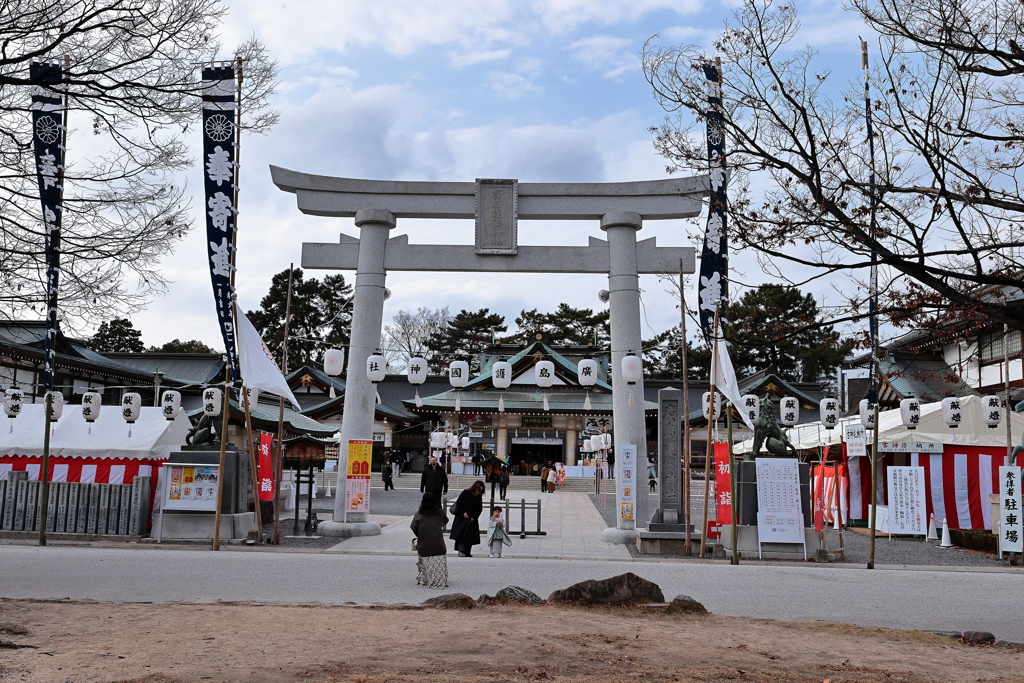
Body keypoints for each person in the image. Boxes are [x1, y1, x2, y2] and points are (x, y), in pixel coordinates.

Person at [410, 492, 448, 588]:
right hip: (439, 547)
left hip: (424, 547)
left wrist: (421, 534)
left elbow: (413, 527)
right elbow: (445, 521)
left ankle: (424, 577)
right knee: (440, 553)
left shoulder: (419, 515)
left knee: (420, 550)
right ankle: (441, 577)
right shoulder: (440, 513)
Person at [449, 480, 484, 557]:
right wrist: (463, 512)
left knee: (470, 536)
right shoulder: (466, 492)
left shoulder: (478, 497)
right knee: (461, 534)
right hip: (462, 518)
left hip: (472, 519)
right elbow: (459, 502)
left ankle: (467, 551)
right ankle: (461, 550)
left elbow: (480, 509)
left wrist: (474, 517)